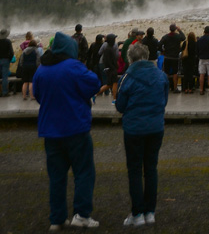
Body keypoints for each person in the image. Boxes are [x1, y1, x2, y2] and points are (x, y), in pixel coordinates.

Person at [32, 30, 105, 231]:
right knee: (83, 172)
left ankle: (57, 219)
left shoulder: (42, 69)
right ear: (70, 49)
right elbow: (94, 83)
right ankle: (81, 215)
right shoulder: (73, 66)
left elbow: (37, 95)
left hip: (50, 131)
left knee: (56, 176)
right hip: (75, 128)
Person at [115, 40, 170, 227]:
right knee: (151, 169)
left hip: (134, 130)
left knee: (135, 170)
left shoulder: (127, 78)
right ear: (146, 57)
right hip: (156, 128)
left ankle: (137, 214)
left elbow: (120, 106)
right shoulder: (161, 76)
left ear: (130, 59)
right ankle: (150, 212)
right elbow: (164, 101)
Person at [197, 26, 209, 95]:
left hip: (202, 58)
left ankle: (201, 89)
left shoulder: (200, 40)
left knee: (202, 74)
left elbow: (197, 49)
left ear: (204, 31)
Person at [0, 26, 13, 96]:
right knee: (5, 77)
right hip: (5, 60)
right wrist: (9, 59)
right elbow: (11, 52)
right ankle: (5, 92)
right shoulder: (8, 41)